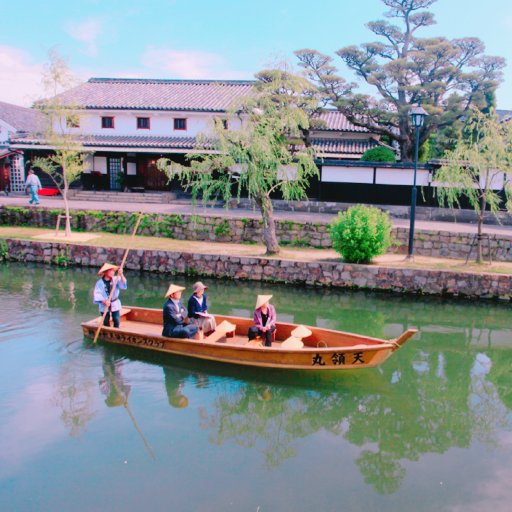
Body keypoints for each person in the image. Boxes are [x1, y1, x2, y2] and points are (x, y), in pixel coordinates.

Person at [93, 263, 127, 328]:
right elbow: (97, 294)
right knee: (105, 321)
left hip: (114, 303)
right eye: (111, 270)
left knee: (116, 320)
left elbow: (123, 284)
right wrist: (104, 301)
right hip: (105, 304)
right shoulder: (100, 283)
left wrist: (121, 274)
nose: (113, 272)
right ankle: (107, 332)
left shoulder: (116, 279)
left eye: (113, 271)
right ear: (106, 272)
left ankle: (116, 331)